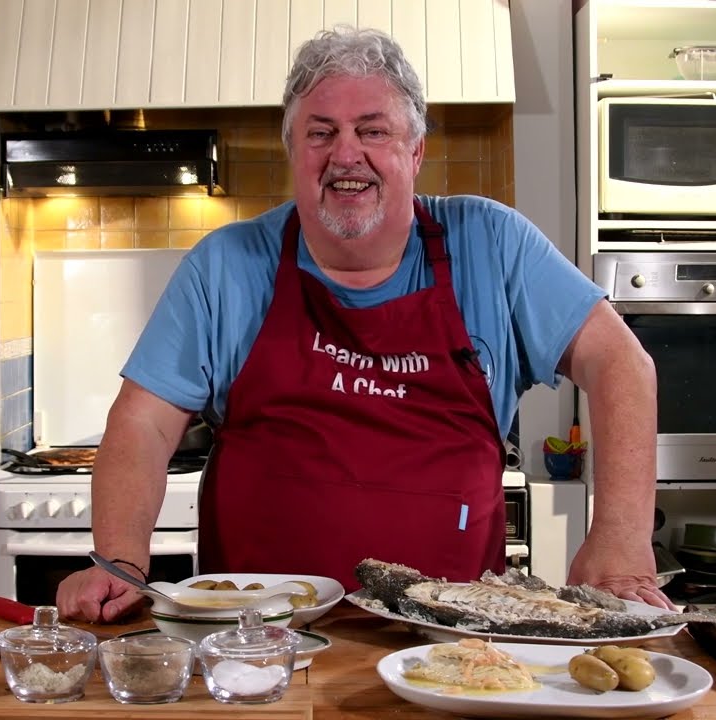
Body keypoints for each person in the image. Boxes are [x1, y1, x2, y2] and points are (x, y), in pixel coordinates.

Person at [56, 26, 668, 623]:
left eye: (372, 130)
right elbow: (143, 422)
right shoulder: (226, 265)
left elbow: (621, 365)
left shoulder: (493, 243)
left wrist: (619, 536)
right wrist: (120, 558)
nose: (345, 154)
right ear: (294, 152)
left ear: (416, 150)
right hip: (258, 646)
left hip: (446, 647)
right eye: (320, 133)